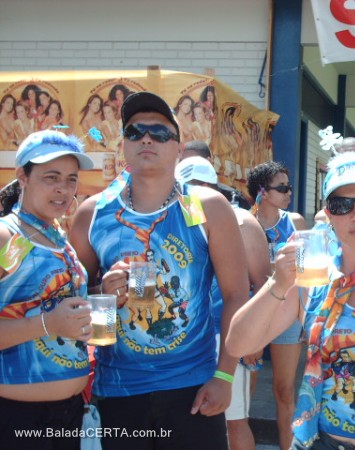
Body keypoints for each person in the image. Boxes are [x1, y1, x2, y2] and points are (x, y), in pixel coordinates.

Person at [69, 91, 249, 450]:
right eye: (135, 132)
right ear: (123, 145)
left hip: (193, 387)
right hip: (120, 388)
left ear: (178, 150)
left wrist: (225, 375)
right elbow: (71, 305)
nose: (147, 139)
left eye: (160, 132)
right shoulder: (92, 213)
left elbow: (236, 295)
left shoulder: (208, 207)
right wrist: (103, 294)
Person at [227, 150, 355, 450]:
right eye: (341, 205)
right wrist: (277, 284)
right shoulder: (312, 282)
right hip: (321, 441)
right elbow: (238, 345)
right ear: (328, 215)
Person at [0, 130, 94, 450]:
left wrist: (100, 293)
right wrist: (48, 324)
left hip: (67, 415)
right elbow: (48, 318)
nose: (62, 189)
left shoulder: (56, 236)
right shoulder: (6, 236)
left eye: (70, 179)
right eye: (50, 177)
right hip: (17, 418)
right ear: (22, 176)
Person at [175, 155, 270, 450]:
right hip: (180, 342)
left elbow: (264, 284)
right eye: (187, 188)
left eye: (201, 187)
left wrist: (256, 338)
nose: (194, 194)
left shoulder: (240, 220)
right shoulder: (166, 219)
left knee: (234, 420)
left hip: (226, 337)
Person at [246, 161, 308, 450]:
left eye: (289, 186)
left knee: (285, 391)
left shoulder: (294, 221)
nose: (288, 192)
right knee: (247, 392)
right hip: (255, 313)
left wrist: (306, 317)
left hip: (287, 314)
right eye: (281, 187)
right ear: (262, 192)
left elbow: (306, 274)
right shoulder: (243, 223)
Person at [183, 140, 251, 209]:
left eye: (192, 162)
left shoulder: (232, 197)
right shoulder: (182, 196)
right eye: (183, 163)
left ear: (208, 161)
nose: (186, 168)